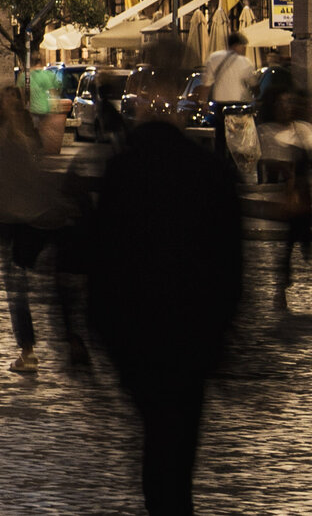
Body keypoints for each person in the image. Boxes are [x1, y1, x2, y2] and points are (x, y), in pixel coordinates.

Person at [87, 35, 242, 516]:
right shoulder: (210, 171)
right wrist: (224, 338)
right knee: (176, 450)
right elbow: (231, 266)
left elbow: (100, 259)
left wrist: (102, 334)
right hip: (190, 338)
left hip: (137, 338)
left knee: (159, 443)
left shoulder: (122, 171)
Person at [0, 86, 78, 372]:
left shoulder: (3, 137)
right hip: (35, 218)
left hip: (10, 220)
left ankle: (28, 351)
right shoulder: (28, 134)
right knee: (48, 283)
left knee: (18, 289)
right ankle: (68, 338)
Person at [257, 88, 312, 312]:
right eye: (281, 103)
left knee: (306, 246)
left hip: (302, 199)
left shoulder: (303, 131)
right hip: (284, 199)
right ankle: (283, 293)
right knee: (287, 248)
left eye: (289, 103)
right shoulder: (268, 133)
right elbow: (267, 166)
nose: (285, 107)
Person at [201, 31, 258, 182]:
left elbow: (206, 83)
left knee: (221, 137)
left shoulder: (214, 58)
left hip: (220, 106)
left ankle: (220, 168)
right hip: (239, 105)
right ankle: (236, 170)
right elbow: (253, 84)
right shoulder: (244, 61)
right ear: (237, 45)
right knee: (238, 139)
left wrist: (203, 102)